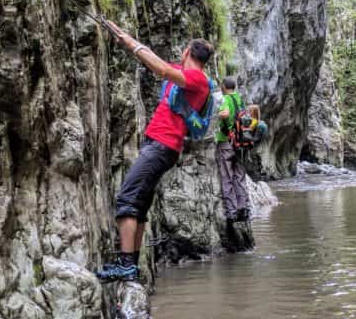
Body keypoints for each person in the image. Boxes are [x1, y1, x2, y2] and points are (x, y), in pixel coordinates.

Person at [97, 22, 214, 282]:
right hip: (161, 146)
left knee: (126, 200)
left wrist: (130, 44)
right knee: (138, 205)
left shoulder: (197, 79)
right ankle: (131, 265)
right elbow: (155, 59)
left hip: (162, 146)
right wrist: (125, 38)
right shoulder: (185, 76)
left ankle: (126, 264)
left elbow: (160, 68)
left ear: (187, 52)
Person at [215, 77, 251, 223]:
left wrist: (213, 116)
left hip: (226, 142)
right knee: (239, 176)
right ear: (235, 86)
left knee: (227, 177)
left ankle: (232, 212)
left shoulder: (225, 99)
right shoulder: (240, 99)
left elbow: (225, 114)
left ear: (223, 86)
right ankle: (244, 208)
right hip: (241, 144)